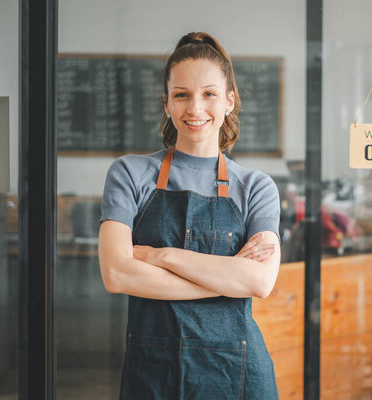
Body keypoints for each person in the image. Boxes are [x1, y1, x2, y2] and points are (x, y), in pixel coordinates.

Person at [98, 32, 281, 400]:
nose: (195, 108)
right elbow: (116, 274)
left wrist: (159, 256)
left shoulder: (257, 187)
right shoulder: (130, 173)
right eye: (181, 94)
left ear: (230, 101)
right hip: (153, 370)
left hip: (238, 372)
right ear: (166, 103)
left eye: (209, 94)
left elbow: (259, 282)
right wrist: (227, 278)